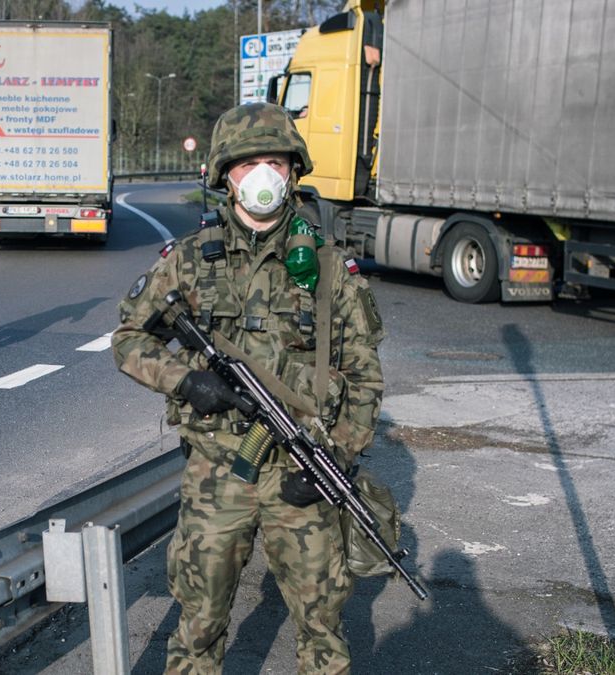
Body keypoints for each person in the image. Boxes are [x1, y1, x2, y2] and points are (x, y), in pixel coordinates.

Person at [111, 102, 386, 673]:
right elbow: (129, 338)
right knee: (199, 624)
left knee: (322, 629)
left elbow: (364, 378)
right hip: (216, 471)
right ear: (224, 176)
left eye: (275, 162)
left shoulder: (333, 269)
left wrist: (338, 456)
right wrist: (186, 379)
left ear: (293, 172)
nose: (262, 175)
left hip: (303, 473)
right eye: (247, 163)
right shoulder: (186, 262)